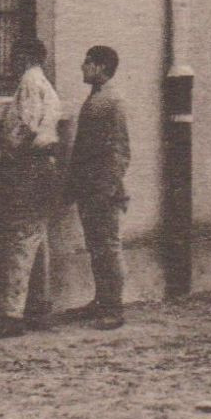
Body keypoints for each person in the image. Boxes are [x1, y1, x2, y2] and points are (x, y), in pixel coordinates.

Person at [0, 39, 62, 338]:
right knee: (37, 239)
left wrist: (8, 152)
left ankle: (11, 315)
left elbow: (26, 125)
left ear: (25, 57)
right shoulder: (46, 85)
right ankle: (40, 308)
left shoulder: (29, 81)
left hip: (31, 165)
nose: (11, 63)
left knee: (21, 237)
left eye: (15, 57)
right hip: (46, 166)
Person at [67, 45, 130, 330]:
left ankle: (114, 308)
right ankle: (101, 300)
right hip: (89, 186)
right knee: (96, 247)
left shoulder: (112, 101)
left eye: (88, 62)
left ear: (101, 67)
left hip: (103, 188)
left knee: (108, 246)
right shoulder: (96, 98)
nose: (83, 66)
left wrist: (108, 187)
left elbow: (120, 150)